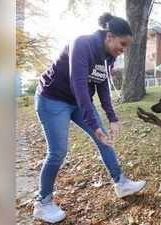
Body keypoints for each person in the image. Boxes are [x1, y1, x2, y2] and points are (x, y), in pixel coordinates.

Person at [33, 13, 146, 223]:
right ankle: (43, 202)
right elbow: (78, 85)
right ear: (110, 36)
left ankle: (120, 183)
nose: (123, 50)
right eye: (122, 44)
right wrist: (94, 124)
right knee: (58, 152)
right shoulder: (82, 43)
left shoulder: (108, 56)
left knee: (104, 141)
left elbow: (101, 85)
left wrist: (112, 118)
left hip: (78, 101)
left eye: (126, 47)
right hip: (52, 99)